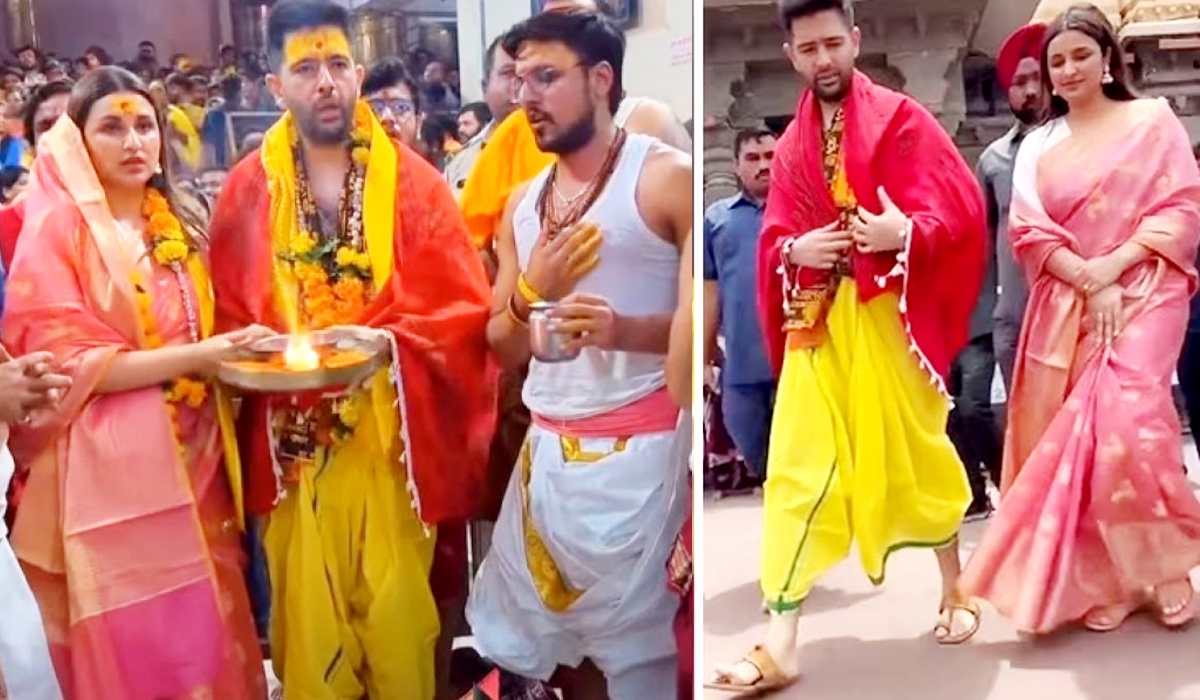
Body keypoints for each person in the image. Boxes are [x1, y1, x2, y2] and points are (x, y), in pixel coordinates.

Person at [207, 2, 497, 697]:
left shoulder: (417, 185)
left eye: (338, 64)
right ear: (274, 85)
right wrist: (270, 355)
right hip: (295, 454)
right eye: (306, 68)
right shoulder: (247, 190)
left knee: (399, 628)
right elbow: (227, 320)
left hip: (392, 446)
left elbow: (464, 312)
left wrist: (389, 340)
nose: (326, 82)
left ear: (359, 74)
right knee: (310, 638)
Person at [709, 0, 987, 691]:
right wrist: (796, 248)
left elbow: (959, 209)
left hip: (886, 315)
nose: (823, 59)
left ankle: (956, 588)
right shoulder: (794, 142)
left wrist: (904, 234)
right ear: (789, 53)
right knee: (796, 470)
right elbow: (778, 232)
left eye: (834, 43)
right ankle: (781, 638)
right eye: (808, 49)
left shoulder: (903, 119)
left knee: (913, 450)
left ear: (855, 40)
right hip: (816, 321)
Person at [2, 65, 269, 699]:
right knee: (146, 639)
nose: (133, 142)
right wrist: (201, 357)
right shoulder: (58, 233)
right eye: (112, 128)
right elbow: (73, 366)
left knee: (213, 614)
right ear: (78, 142)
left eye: (145, 125)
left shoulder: (180, 223)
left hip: (200, 455)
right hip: (110, 479)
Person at [466, 10, 692, 699]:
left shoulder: (663, 180)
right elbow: (500, 346)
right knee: (558, 659)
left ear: (600, 79)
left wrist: (623, 330)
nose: (525, 96)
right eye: (518, 78)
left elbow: (700, 324)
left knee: (640, 661)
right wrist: (535, 290)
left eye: (545, 77)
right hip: (547, 466)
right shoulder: (520, 204)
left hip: (644, 457)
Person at [958, 4, 1200, 634]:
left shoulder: (1152, 120)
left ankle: (1168, 565)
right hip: (1069, 299)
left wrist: (1114, 269)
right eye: (1055, 61)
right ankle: (1118, 577)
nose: (1066, 71)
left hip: (1149, 283)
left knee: (1130, 422)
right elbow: (1029, 233)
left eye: (1079, 57)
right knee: (1086, 443)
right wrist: (1088, 280)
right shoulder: (1040, 144)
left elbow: (1180, 206)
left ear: (1108, 59)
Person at [458, 0, 691, 254]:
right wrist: (527, 286)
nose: (556, 30)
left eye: (572, 17)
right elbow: (471, 240)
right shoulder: (520, 175)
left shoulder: (654, 128)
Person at [951, 22, 1050, 521]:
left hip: (1078, 310)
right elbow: (980, 244)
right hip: (1015, 315)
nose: (1029, 90)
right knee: (1021, 417)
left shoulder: (1085, 142)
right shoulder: (993, 160)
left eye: (1037, 77)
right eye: (1018, 81)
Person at [703, 127, 777, 479]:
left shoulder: (801, 210)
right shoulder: (717, 219)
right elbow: (708, 291)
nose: (763, 166)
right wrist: (703, 357)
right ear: (736, 165)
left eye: (770, 157)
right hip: (741, 367)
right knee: (754, 451)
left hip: (798, 361)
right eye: (752, 158)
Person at [445, 37, 517, 201]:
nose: (521, 85)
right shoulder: (461, 162)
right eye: (509, 73)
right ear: (485, 87)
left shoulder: (567, 156)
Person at [363, 57, 421, 150]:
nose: (387, 118)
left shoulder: (427, 165)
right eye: (375, 109)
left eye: (400, 107)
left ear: (418, 123)